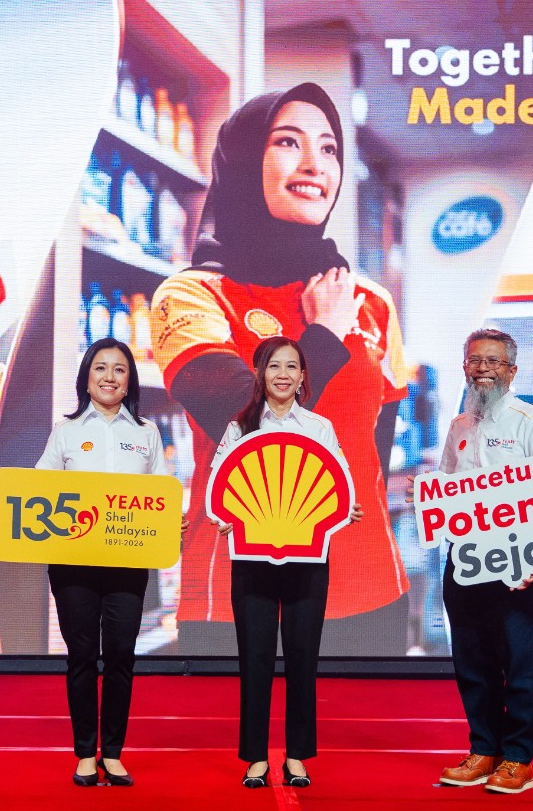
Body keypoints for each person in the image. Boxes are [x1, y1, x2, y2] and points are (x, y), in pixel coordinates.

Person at [151, 82, 409, 656]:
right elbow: (246, 434)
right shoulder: (192, 296)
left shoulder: (371, 301)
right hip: (238, 594)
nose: (315, 164)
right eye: (288, 142)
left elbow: (371, 455)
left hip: (369, 593)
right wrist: (323, 335)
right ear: (244, 163)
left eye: (329, 148)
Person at [213, 336, 363, 788]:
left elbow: (340, 486)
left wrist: (345, 507)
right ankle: (255, 756)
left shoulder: (320, 428)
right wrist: (222, 516)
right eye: (273, 366)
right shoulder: (239, 428)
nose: (282, 374)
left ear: (302, 377)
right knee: (254, 657)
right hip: (252, 561)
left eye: (291, 366)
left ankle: (297, 755)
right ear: (260, 375)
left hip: (307, 562)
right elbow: (221, 491)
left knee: (302, 657)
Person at [35, 338, 179, 788]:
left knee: (119, 656)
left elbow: (163, 496)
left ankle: (112, 753)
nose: (110, 377)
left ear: (129, 379)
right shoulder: (65, 432)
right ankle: (83, 753)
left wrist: (173, 522)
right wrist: (4, 513)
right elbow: (35, 491)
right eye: (101, 368)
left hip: (128, 566)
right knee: (81, 656)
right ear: (87, 376)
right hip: (73, 565)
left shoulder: (147, 433)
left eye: (119, 369)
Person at [434, 328, 533, 795]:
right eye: (474, 360)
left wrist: (529, 558)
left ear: (511, 370)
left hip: (514, 560)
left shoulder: (531, 419)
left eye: (492, 361)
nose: (482, 368)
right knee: (472, 660)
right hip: (462, 556)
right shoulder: (459, 425)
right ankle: (483, 749)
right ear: (464, 366)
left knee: (517, 660)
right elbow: (445, 486)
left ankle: (518, 759)